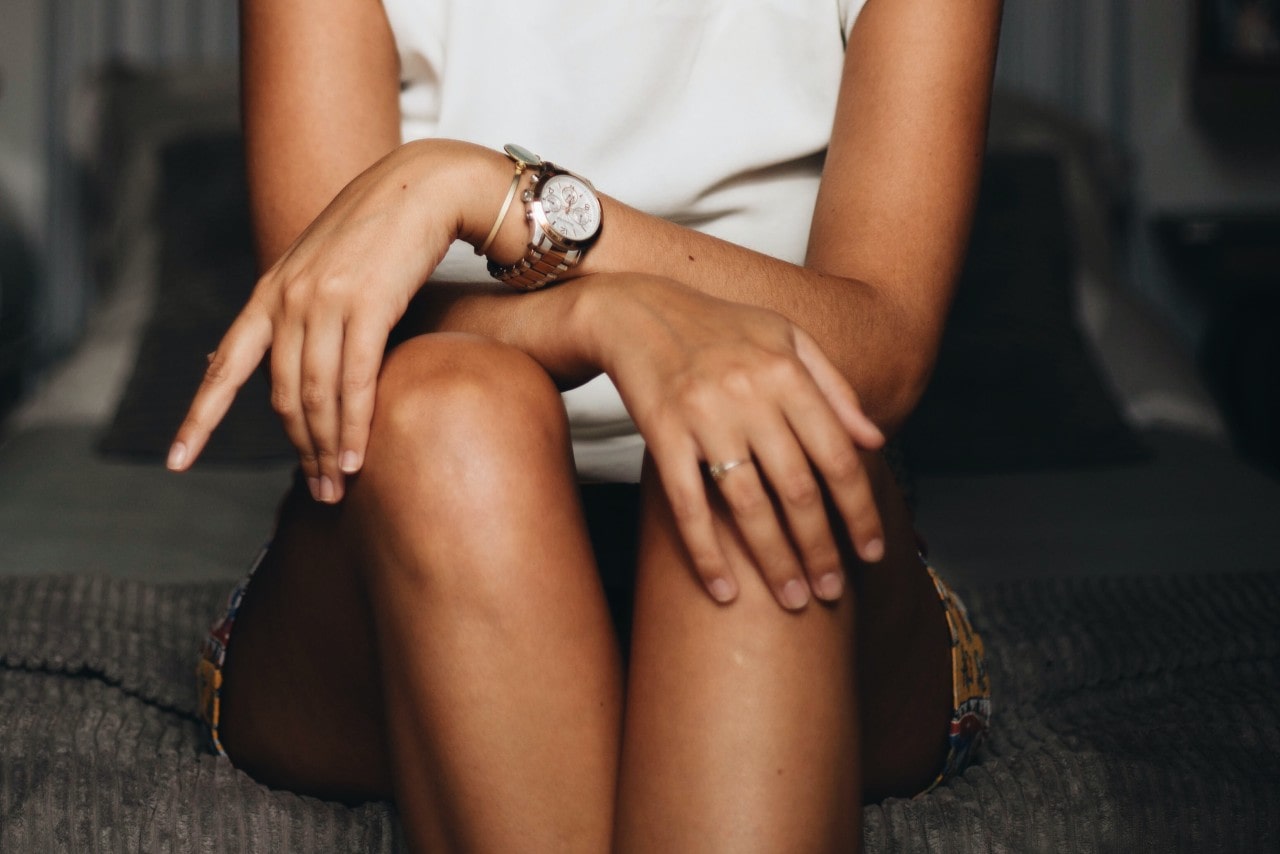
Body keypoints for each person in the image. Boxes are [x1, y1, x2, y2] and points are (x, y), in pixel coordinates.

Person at [172, 0, 1001, 850]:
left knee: (752, 438)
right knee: (452, 410)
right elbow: (325, 339)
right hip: (411, 542)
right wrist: (607, 313)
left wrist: (492, 193)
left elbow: (885, 353)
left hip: (774, 537)